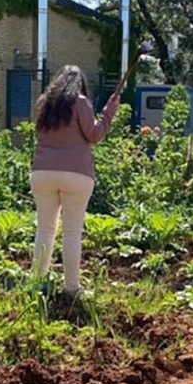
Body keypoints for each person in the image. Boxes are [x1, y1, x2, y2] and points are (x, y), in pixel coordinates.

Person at [31, 66, 121, 297]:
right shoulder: (81, 102)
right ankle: (71, 287)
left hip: (42, 172)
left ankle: (36, 283)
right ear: (80, 84)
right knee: (71, 231)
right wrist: (109, 112)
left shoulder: (45, 104)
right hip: (76, 174)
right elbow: (94, 135)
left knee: (45, 229)